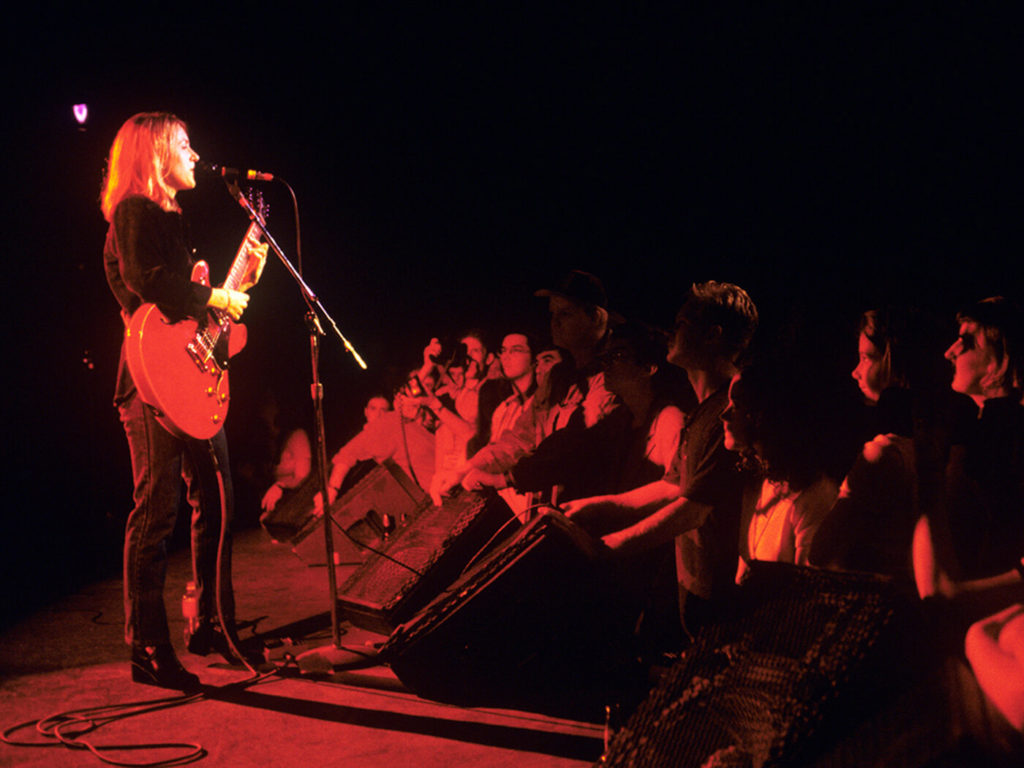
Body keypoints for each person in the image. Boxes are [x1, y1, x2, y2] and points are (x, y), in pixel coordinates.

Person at [101, 112, 267, 689]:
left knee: (217, 503)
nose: (195, 155)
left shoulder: (174, 219)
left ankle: (213, 625)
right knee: (155, 513)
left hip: (190, 375)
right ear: (154, 154)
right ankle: (146, 645)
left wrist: (239, 281)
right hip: (150, 384)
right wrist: (216, 292)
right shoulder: (133, 213)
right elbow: (149, 283)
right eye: (184, 144)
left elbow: (192, 309)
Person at [564, 281, 758, 640]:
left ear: (713, 335)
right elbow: (672, 485)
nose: (672, 330)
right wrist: (595, 506)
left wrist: (608, 546)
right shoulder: (703, 411)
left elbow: (693, 510)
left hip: (720, 598)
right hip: (697, 588)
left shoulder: (727, 411)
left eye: (683, 323)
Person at [722, 358, 858, 584]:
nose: (723, 415)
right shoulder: (760, 484)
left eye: (736, 404)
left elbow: (808, 592)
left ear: (763, 414)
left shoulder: (814, 497)